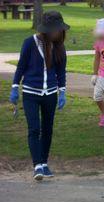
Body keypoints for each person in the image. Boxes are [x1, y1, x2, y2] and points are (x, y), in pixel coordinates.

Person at [9, 11, 69, 181]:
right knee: (34, 129)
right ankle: (37, 166)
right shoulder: (29, 43)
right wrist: (14, 87)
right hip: (31, 93)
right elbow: (20, 67)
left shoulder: (59, 47)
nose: (58, 32)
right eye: (55, 29)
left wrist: (62, 91)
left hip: (50, 94)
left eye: (59, 29)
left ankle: (44, 162)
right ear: (46, 30)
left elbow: (60, 72)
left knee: (48, 129)